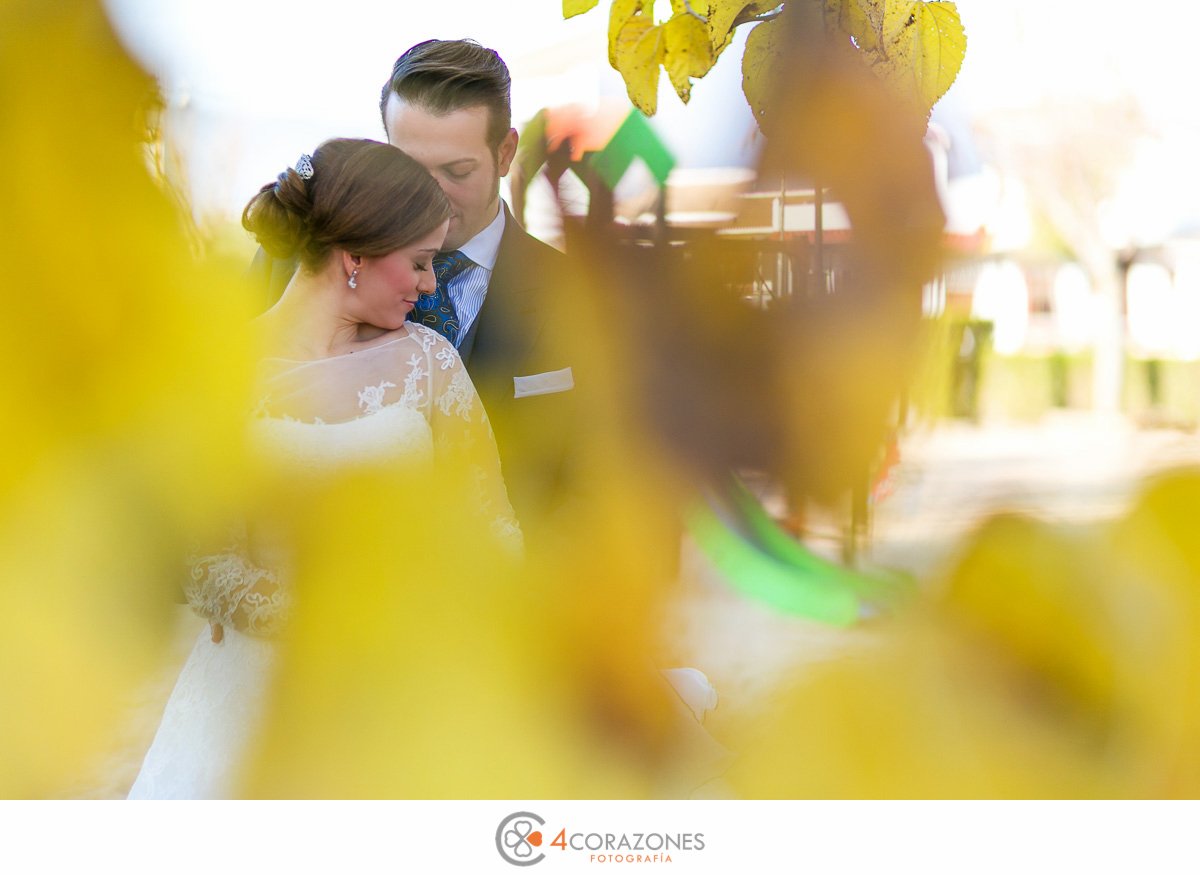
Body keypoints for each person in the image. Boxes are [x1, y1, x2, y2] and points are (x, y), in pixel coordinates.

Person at [127, 138, 520, 799]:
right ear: (355, 256)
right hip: (255, 694)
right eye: (421, 262)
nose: (430, 284)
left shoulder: (430, 362)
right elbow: (192, 551)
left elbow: (494, 526)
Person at [250, 39, 575, 530]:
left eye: (456, 171)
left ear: (505, 153)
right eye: (409, 167)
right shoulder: (290, 265)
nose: (429, 194)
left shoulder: (578, 297)